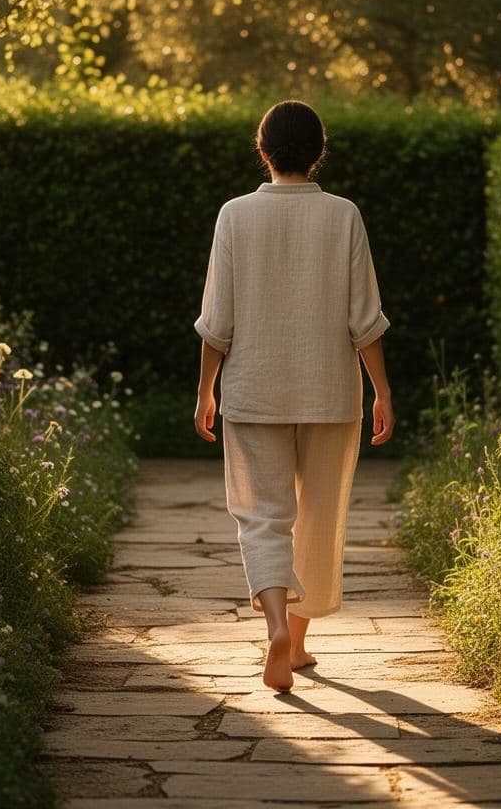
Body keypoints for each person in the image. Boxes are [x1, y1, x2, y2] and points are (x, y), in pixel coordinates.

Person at [192, 99, 395, 693]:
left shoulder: (234, 215)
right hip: (332, 393)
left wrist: (206, 390)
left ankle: (277, 628)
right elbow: (366, 320)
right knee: (318, 518)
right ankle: (300, 645)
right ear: (318, 153)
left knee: (262, 516)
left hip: (253, 391)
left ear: (264, 152)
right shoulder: (344, 215)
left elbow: (216, 323)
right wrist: (381, 391)